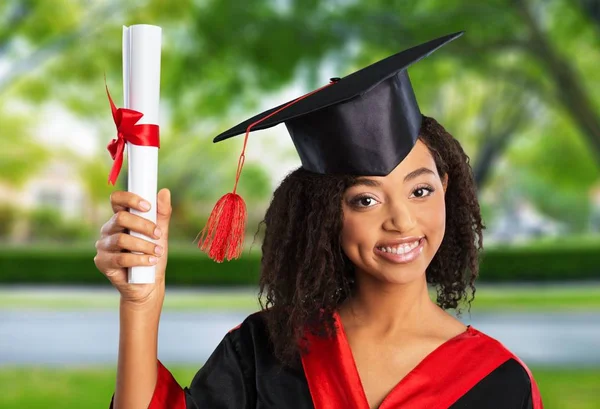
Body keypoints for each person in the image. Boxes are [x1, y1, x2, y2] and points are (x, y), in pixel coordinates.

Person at [94, 32, 544, 409]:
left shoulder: (499, 383)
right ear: (327, 215)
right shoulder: (264, 352)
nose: (401, 220)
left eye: (420, 190)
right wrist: (140, 307)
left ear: (446, 186)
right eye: (364, 200)